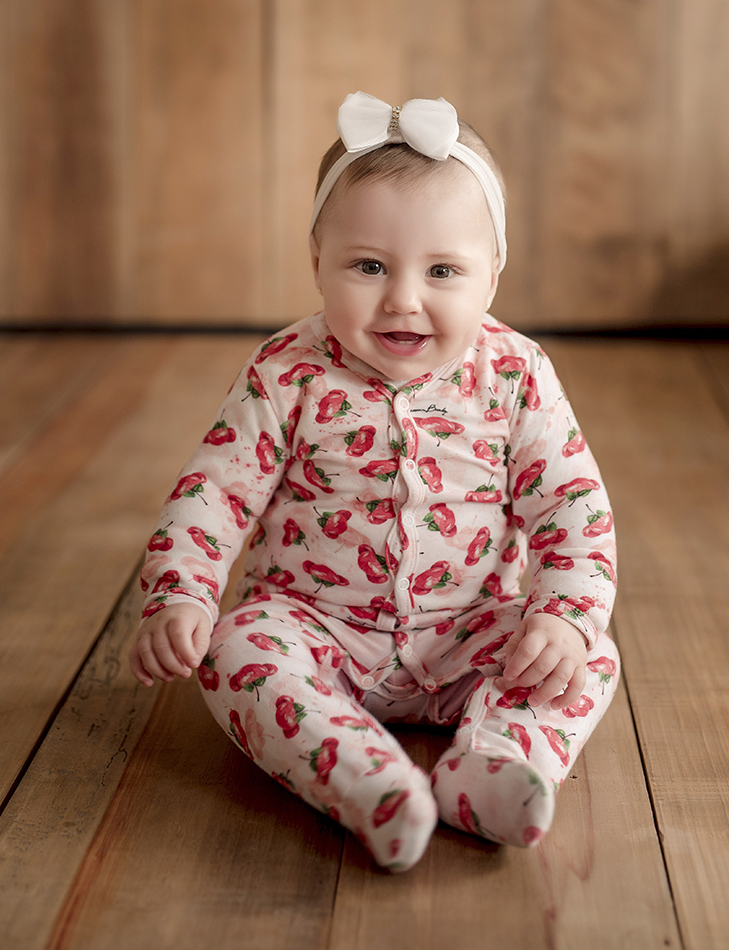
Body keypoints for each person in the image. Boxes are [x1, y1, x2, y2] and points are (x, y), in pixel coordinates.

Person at [130, 92, 619, 872]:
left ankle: (498, 761)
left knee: (586, 656)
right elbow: (216, 491)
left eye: (443, 271)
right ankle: (364, 779)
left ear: (492, 276)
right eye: (368, 266)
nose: (403, 299)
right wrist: (181, 592)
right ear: (316, 262)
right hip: (315, 625)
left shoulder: (516, 375)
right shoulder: (286, 372)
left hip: (472, 630)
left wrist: (564, 615)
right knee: (233, 652)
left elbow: (570, 503)